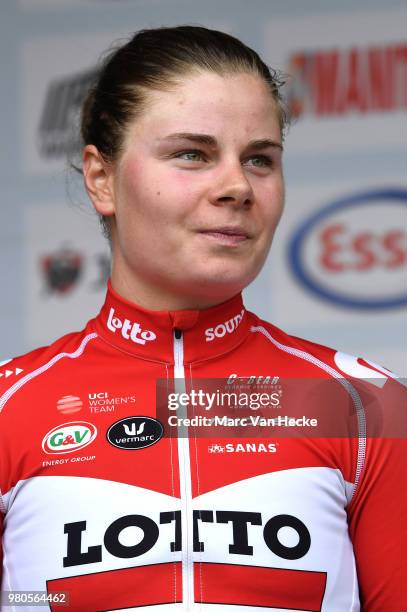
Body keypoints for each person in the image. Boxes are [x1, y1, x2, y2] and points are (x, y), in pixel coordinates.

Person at [0, 25, 406, 612]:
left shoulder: (367, 406)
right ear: (101, 178)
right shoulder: (10, 409)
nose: (237, 186)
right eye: (192, 153)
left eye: (260, 159)